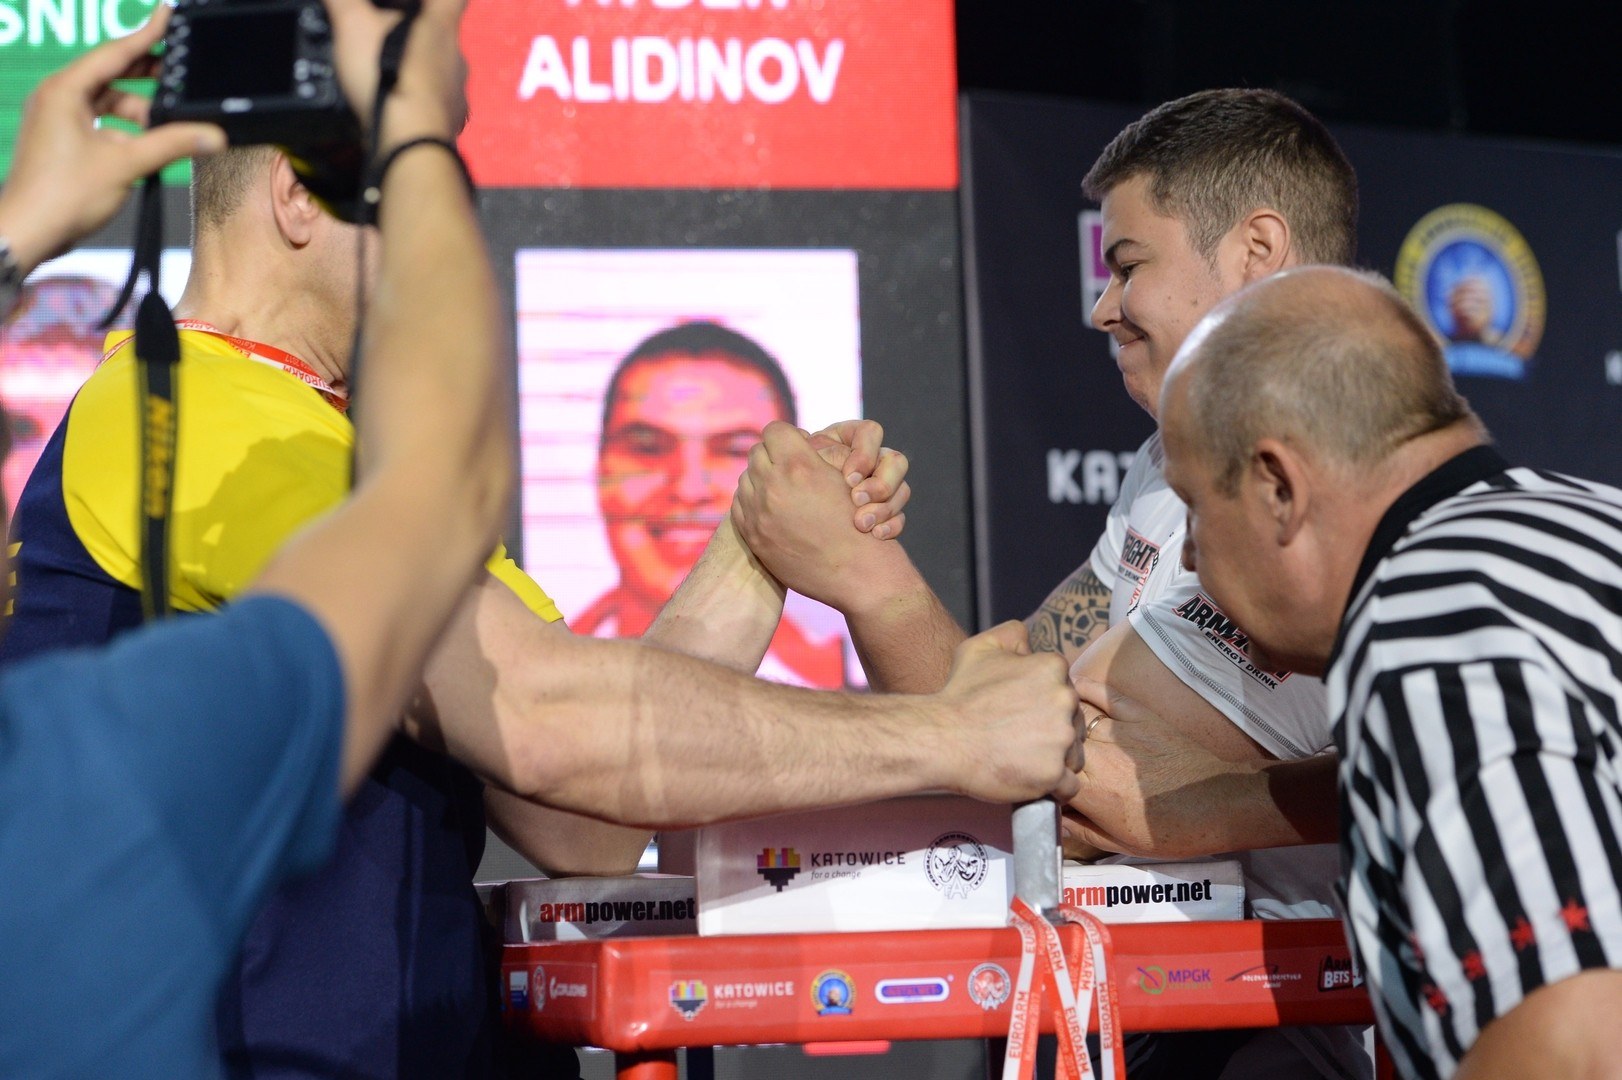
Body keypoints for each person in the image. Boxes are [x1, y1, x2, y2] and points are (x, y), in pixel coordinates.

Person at [2, 25, 1082, 1080]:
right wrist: (946, 736)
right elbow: (547, 719)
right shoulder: (206, 414)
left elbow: (584, 814)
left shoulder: (301, 432)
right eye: (424, 160)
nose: (452, 211)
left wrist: (759, 544)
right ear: (300, 192)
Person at [732, 88, 1369, 1077]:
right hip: (1162, 1003)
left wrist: (859, 570)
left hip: (1304, 1032)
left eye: (1126, 267)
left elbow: (1068, 774)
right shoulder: (1162, 467)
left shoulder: (1352, 466)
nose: (1101, 306)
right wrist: (861, 570)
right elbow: (1003, 695)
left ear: (1255, 251)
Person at [0, 0, 523, 1070]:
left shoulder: (86, 764)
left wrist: (14, 234)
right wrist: (413, 135)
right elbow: (443, 485)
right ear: (297, 191)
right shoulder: (104, 770)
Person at [1156, 264, 1622, 1080]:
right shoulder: (1587, 523)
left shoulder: (1431, 621)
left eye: (1194, 507)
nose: (1190, 555)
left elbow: (1574, 1043)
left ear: (1277, 487)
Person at [579, 320, 866, 688]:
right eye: (648, 447)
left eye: (734, 449)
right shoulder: (526, 666)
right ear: (599, 468)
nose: (689, 487)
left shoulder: (860, 692)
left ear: (799, 472)